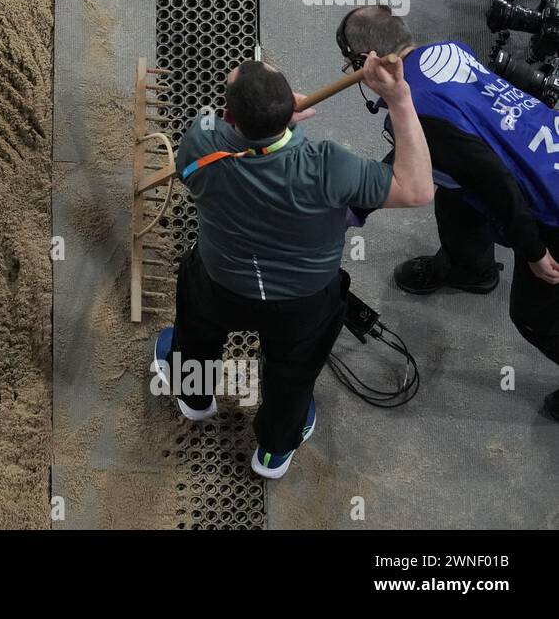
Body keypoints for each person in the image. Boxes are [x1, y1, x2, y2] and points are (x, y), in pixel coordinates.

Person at [151, 56, 433, 478]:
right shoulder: (329, 166)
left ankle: (194, 400)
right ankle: (273, 451)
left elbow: (210, 163)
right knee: (293, 376)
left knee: (195, 335)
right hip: (303, 303)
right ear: (286, 110)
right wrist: (399, 98)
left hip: (219, 283)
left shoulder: (200, 142)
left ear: (229, 116)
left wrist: (274, 129)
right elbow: (416, 188)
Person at [337, 5, 559, 418]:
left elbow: (495, 181)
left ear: (366, 59)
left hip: (550, 208)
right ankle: (469, 270)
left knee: (533, 317)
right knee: (454, 190)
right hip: (543, 150)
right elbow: (426, 154)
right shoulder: (448, 51)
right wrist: (354, 205)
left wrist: (532, 251)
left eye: (350, 58)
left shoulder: (422, 112)